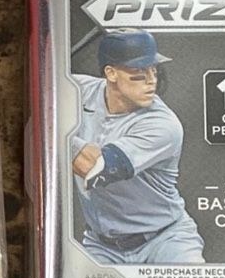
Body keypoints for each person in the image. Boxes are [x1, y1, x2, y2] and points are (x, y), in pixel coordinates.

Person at [71, 29, 205, 264]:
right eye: (139, 72)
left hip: (166, 240)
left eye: (153, 70)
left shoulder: (162, 124)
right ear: (111, 73)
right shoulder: (78, 91)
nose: (152, 80)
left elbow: (96, 169)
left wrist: (53, 128)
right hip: (102, 245)